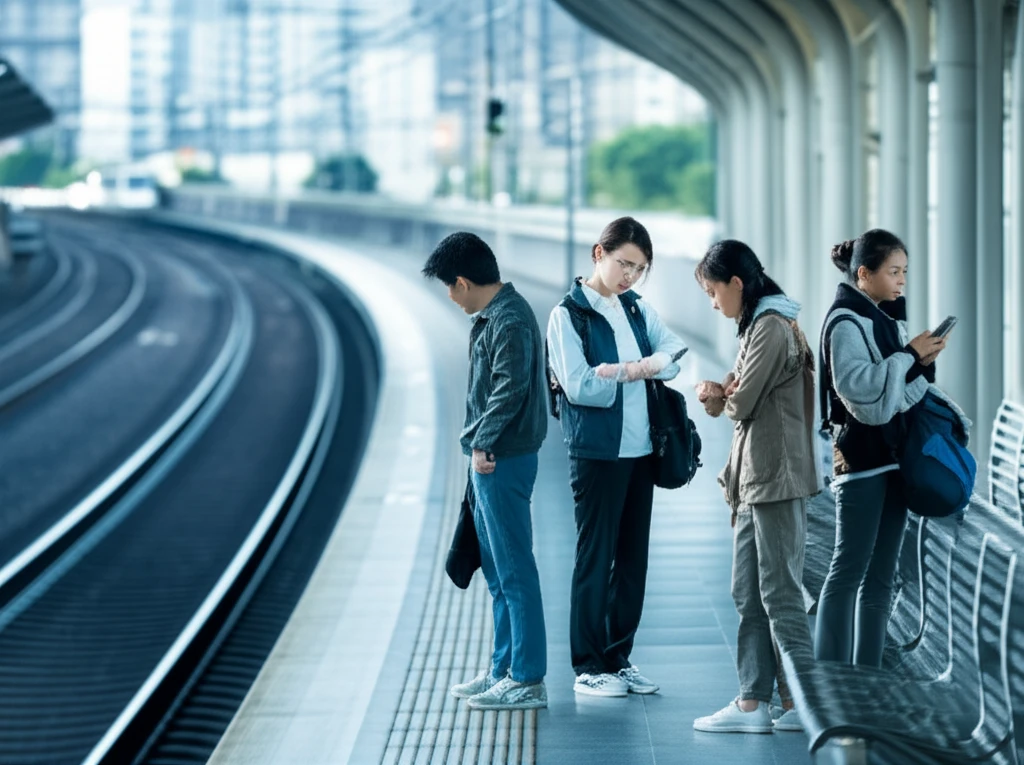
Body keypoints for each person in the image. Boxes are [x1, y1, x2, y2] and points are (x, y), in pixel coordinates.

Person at [546, 216, 686, 697]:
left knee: (631, 560)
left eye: (640, 268)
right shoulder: (568, 315)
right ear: (598, 254)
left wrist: (641, 366)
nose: (629, 275)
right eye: (624, 263)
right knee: (595, 556)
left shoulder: (635, 307)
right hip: (597, 453)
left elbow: (674, 349)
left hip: (641, 449)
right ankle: (588, 667)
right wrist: (635, 370)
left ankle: (618, 656)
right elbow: (579, 384)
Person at [814, 229, 968, 667]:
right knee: (848, 572)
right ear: (864, 273)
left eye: (905, 271)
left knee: (882, 578)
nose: (902, 280)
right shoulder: (845, 321)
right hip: (861, 464)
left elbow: (897, 395)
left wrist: (921, 362)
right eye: (894, 271)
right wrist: (908, 356)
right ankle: (832, 683)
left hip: (892, 460)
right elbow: (865, 398)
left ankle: (867, 677)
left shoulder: (881, 316)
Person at [691, 239, 819, 734]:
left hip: (777, 479)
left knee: (780, 594)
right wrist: (722, 393)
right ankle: (754, 702)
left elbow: (741, 404)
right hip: (754, 480)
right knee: (747, 592)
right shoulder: (758, 323)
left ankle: (801, 701)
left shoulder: (769, 325)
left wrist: (720, 394)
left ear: (736, 283)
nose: (712, 301)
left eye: (713, 290)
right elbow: (742, 395)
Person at [422, 231, 549, 710]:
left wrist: (482, 442)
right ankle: (503, 667)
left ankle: (528, 677)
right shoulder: (496, 315)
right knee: (498, 573)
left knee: (515, 569)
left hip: (503, 458)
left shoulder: (510, 320)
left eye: (449, 289)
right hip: (491, 458)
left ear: (462, 281)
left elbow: (509, 389)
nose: (450, 299)